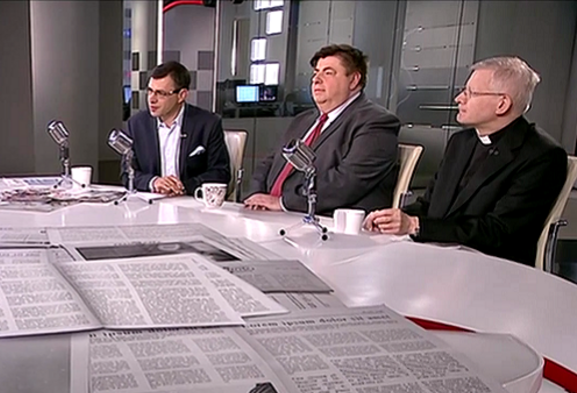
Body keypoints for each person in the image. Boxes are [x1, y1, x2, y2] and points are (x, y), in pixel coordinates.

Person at [364, 56, 567, 266]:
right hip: (438, 256)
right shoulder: (460, 142)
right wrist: (393, 218)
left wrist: (415, 225)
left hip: (490, 267)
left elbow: (499, 231)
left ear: (502, 104)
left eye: (471, 93)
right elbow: (429, 205)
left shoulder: (542, 155)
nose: (459, 98)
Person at [244, 44, 400, 215]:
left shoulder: (376, 123)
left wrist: (283, 203)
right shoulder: (302, 120)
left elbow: (345, 183)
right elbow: (269, 162)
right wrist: (256, 196)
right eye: (316, 73)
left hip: (323, 221)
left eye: (328, 73)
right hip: (271, 215)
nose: (316, 80)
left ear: (354, 80)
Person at [123, 61, 230, 196]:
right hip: (151, 202)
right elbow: (127, 173)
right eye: (150, 91)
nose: (152, 99)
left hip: (192, 202)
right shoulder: (137, 124)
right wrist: (153, 182)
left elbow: (220, 173)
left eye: (161, 93)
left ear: (181, 95)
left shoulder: (208, 124)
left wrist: (183, 187)